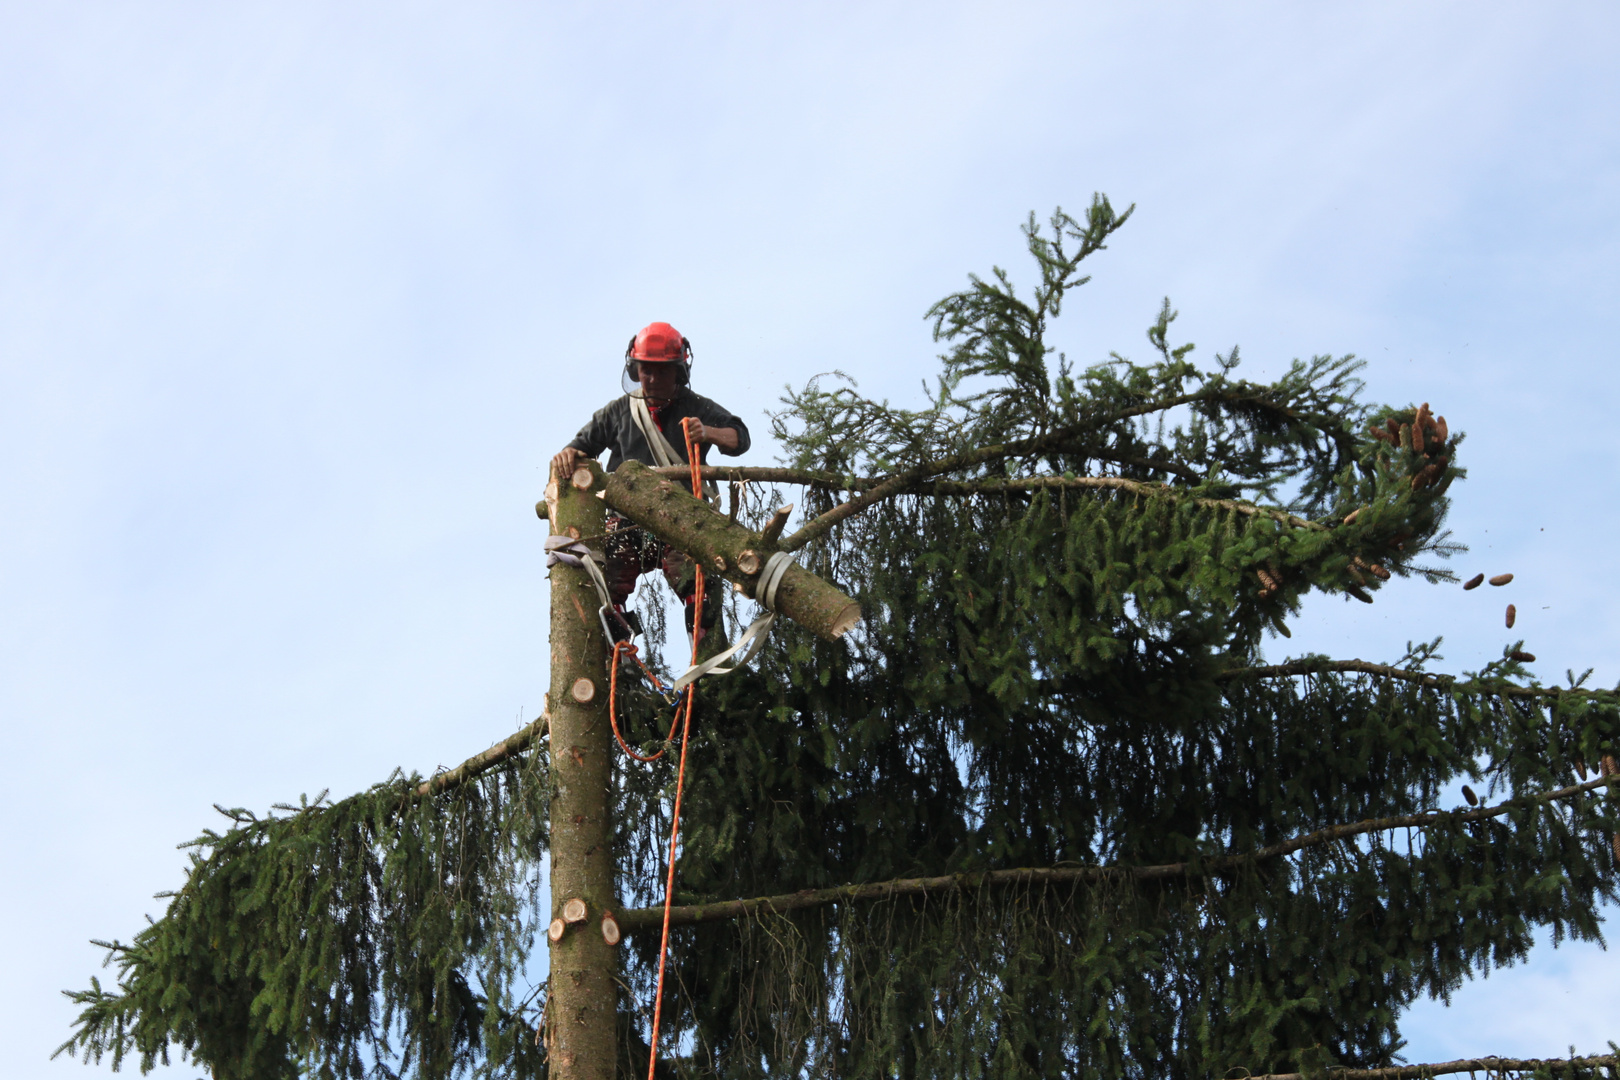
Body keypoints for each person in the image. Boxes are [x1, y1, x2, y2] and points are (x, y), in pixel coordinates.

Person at [551, 322, 750, 640]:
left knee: (699, 586)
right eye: (646, 371)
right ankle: (619, 659)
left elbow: (740, 438)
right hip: (627, 524)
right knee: (604, 589)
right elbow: (580, 446)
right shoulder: (619, 413)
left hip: (679, 519)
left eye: (661, 371)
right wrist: (566, 454)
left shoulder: (696, 407)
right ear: (635, 369)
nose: (653, 379)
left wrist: (708, 432)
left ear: (678, 372)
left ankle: (707, 668)